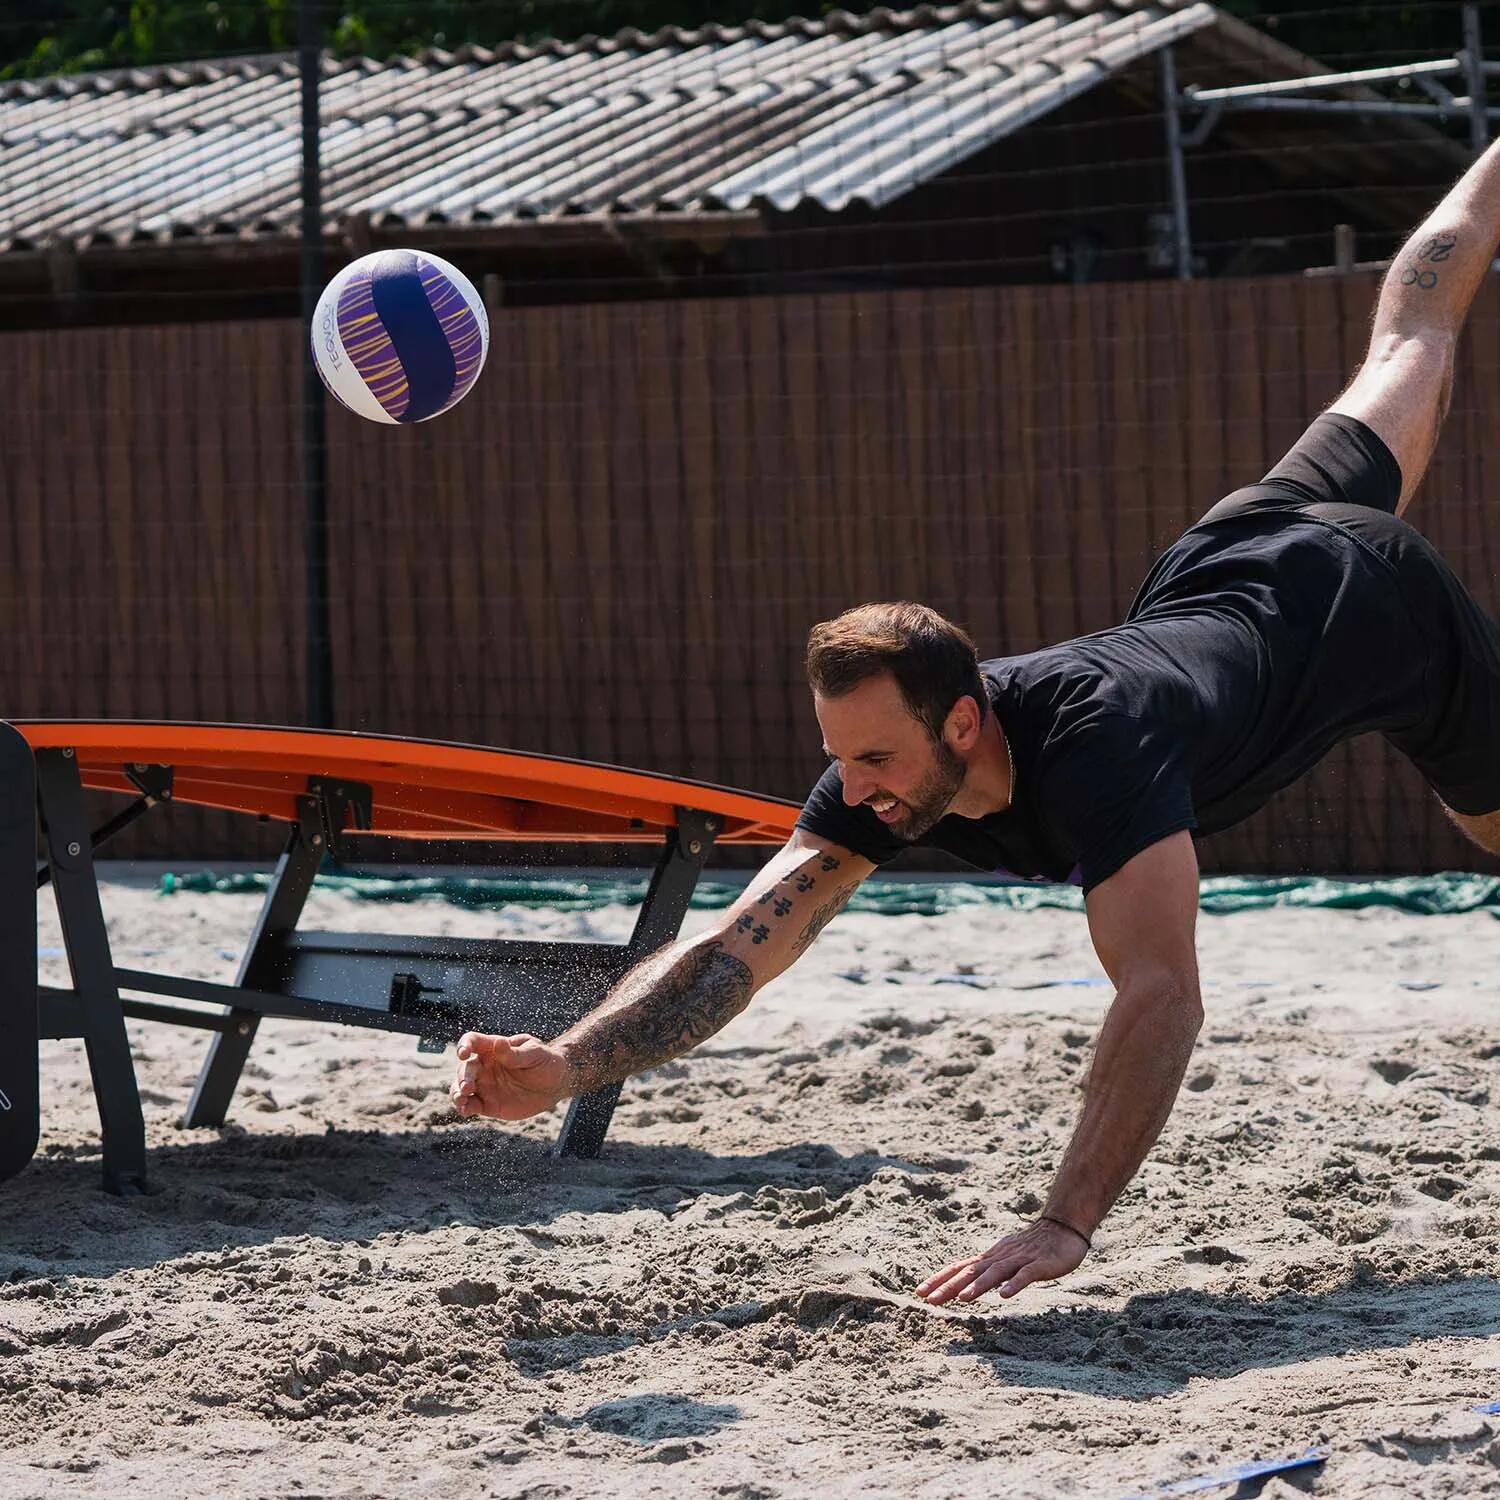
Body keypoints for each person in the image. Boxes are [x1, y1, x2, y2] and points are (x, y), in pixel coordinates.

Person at [451, 138, 1500, 1306]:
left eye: (874, 759)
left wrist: (1065, 1222)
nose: (854, 788)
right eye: (839, 758)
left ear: (963, 724)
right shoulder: (879, 773)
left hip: (1376, 609)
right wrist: (566, 1061)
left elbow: (1163, 993)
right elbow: (733, 953)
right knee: (1408, 337)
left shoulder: (1099, 751)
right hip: (1237, 548)